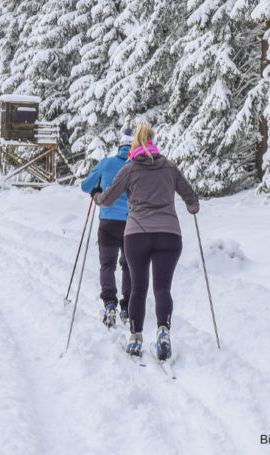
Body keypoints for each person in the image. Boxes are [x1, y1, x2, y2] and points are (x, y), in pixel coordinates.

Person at [92, 122, 199, 361]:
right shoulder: (170, 167)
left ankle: (135, 338)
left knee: (139, 288)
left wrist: (96, 196)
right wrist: (192, 207)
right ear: (152, 141)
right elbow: (190, 197)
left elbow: (108, 199)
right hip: (169, 234)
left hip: (137, 234)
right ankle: (163, 331)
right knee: (162, 288)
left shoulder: (129, 170)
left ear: (134, 145)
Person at [80, 128, 133, 327]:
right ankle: (127, 307)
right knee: (128, 265)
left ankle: (109, 303)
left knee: (107, 265)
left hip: (108, 222)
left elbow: (86, 186)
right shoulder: (136, 165)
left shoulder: (107, 163)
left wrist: (97, 189)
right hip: (131, 223)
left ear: (119, 146)